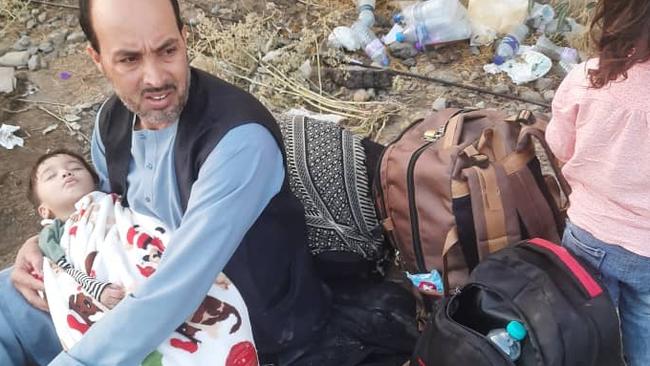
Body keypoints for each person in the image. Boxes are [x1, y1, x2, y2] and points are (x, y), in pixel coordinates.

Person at [0, 0, 330, 364]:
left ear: (185, 40)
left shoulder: (238, 142)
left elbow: (179, 286)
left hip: (227, 320)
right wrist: (46, 242)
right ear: (97, 59)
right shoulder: (111, 121)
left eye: (167, 50)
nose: (156, 78)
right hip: (125, 283)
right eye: (129, 59)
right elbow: (101, 213)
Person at [29, 149, 258, 365]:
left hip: (160, 292)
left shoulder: (114, 205)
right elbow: (62, 286)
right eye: (51, 176)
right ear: (44, 210)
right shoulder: (50, 247)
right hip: (108, 314)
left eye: (75, 167)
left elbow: (153, 232)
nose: (66, 173)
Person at [546, 0, 650, 365]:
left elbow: (559, 147)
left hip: (587, 233)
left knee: (589, 329)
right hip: (647, 251)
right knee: (644, 336)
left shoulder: (586, 77)